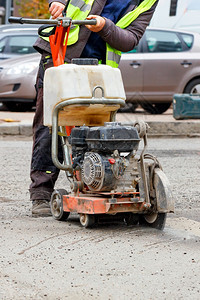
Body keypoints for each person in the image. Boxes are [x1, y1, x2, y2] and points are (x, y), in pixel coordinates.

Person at [30, 0, 159, 217]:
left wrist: (104, 26)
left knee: (95, 130)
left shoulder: (147, 2)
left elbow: (130, 39)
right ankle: (41, 193)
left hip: (99, 70)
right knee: (51, 124)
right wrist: (58, 2)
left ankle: (93, 184)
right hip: (60, 55)